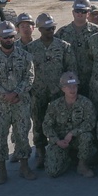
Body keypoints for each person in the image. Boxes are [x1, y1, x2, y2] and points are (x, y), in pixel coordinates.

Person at [0, 20, 36, 184]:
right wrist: (5, 95)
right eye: (5, 37)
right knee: (0, 137)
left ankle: (24, 167)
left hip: (20, 103)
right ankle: (1, 170)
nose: (8, 40)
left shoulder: (25, 56)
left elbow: (30, 76)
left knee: (22, 135)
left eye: (11, 36)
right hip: (0, 106)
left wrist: (17, 93)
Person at [26, 12, 76, 169]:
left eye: (52, 28)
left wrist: (68, 91)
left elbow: (71, 71)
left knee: (59, 122)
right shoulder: (30, 49)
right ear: (39, 29)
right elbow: (26, 72)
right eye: (47, 28)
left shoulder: (63, 46)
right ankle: (41, 152)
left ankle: (61, 151)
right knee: (39, 123)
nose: (50, 31)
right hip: (38, 92)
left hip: (58, 93)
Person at [43, 71, 98, 178]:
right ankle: (67, 158)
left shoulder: (86, 103)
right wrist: (57, 141)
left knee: (87, 137)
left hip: (78, 139)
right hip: (60, 141)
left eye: (74, 86)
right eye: (68, 86)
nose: (72, 89)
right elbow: (46, 126)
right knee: (52, 172)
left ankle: (82, 165)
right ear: (62, 88)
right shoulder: (54, 105)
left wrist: (72, 133)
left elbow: (90, 122)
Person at [55, 0, 98, 97]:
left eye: (83, 11)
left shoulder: (97, 32)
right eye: (77, 11)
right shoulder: (62, 32)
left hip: (91, 80)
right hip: (69, 83)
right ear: (73, 12)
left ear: (88, 13)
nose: (80, 14)